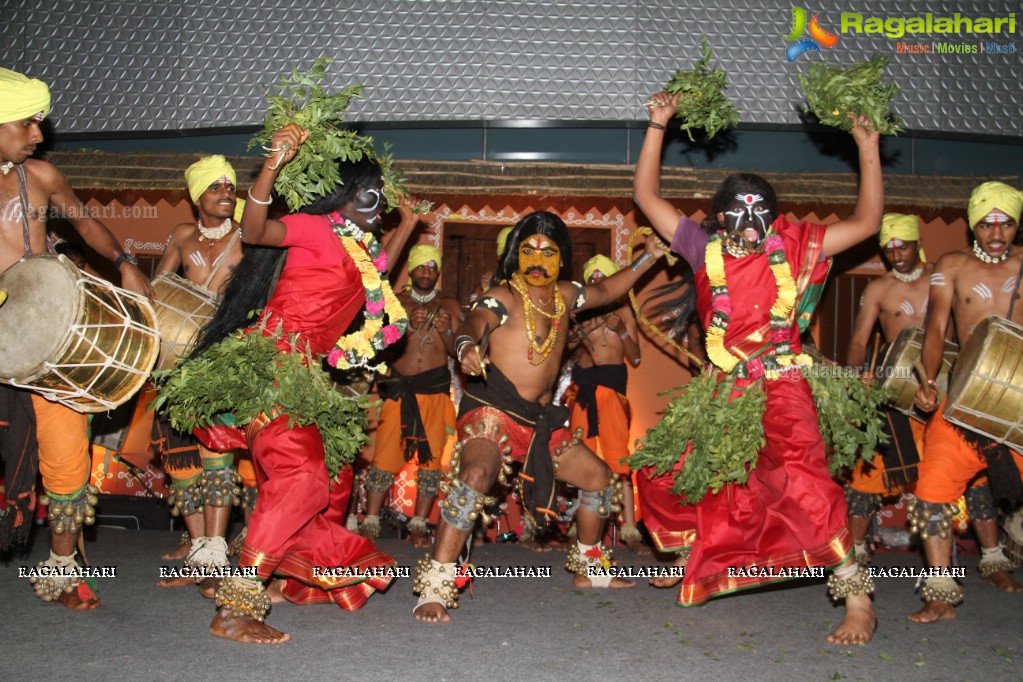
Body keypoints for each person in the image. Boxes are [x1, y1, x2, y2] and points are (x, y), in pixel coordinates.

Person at [633, 90, 883, 645]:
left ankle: (857, 597)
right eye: (738, 208)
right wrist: (658, 126)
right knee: (667, 473)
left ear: (774, 217)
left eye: (760, 208)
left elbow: (867, 222)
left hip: (784, 380)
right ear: (720, 216)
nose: (750, 218)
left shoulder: (796, 247)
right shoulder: (701, 247)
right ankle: (700, 555)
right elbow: (646, 196)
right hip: (723, 385)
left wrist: (867, 143)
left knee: (804, 480)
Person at [157, 124, 410, 643]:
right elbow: (254, 231)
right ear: (344, 194)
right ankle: (235, 604)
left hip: (307, 374)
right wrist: (273, 163)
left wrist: (410, 220)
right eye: (372, 191)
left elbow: (381, 283)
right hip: (270, 365)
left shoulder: (363, 252)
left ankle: (297, 580)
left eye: (383, 195)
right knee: (302, 478)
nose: (380, 203)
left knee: (335, 480)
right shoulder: (315, 229)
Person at [413, 210, 667, 623]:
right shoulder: (505, 295)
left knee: (599, 477)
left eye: (547, 251)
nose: (537, 257)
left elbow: (609, 291)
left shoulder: (567, 296)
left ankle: (590, 569)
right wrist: (465, 348)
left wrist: (649, 258)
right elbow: (473, 322)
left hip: (539, 420)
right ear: (516, 256)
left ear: (560, 259)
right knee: (476, 476)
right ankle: (435, 586)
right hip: (493, 409)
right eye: (528, 249)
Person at [0, 67, 149, 610]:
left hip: (45, 341)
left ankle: (63, 571)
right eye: (27, 122)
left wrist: (125, 263)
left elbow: (84, 225)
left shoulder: (38, 176)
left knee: (67, 461)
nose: (38, 134)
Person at [911, 180, 1023, 624]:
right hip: (963, 398)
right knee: (931, 493)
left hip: (1018, 399)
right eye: (986, 223)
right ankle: (940, 592)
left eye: (1006, 222)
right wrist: (928, 377)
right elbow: (936, 327)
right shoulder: (952, 265)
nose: (996, 231)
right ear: (973, 224)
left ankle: (996, 563)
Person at [152, 155, 254, 592]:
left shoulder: (249, 238)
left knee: (217, 461)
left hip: (221, 359)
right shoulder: (180, 236)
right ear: (197, 196)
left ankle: (216, 555)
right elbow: (157, 290)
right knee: (181, 464)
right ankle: (199, 554)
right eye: (215, 187)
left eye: (230, 186)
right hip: (175, 364)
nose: (226, 193)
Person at [843, 213, 932, 565]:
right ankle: (855, 552)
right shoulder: (878, 289)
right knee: (867, 474)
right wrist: (854, 378)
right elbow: (859, 340)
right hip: (891, 387)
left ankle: (991, 556)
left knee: (946, 471)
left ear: (917, 244)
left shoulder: (942, 278)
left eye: (903, 247)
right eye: (889, 249)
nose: (896, 255)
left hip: (937, 388)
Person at [360, 243, 460, 548]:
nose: (427, 272)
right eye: (421, 266)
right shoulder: (395, 300)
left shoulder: (450, 306)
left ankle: (419, 525)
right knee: (384, 457)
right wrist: (403, 327)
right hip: (398, 388)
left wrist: (444, 331)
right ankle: (372, 522)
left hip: (434, 391)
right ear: (413, 269)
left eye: (432, 267)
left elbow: (458, 350)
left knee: (431, 464)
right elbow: (375, 344)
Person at [564, 254, 649, 555]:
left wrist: (621, 330)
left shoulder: (624, 310)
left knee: (619, 459)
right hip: (583, 387)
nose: (598, 280)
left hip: (612, 387)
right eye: (593, 277)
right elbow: (567, 351)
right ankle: (580, 529)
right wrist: (575, 337)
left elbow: (636, 357)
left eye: (604, 276)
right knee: (579, 457)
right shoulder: (578, 311)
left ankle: (629, 530)